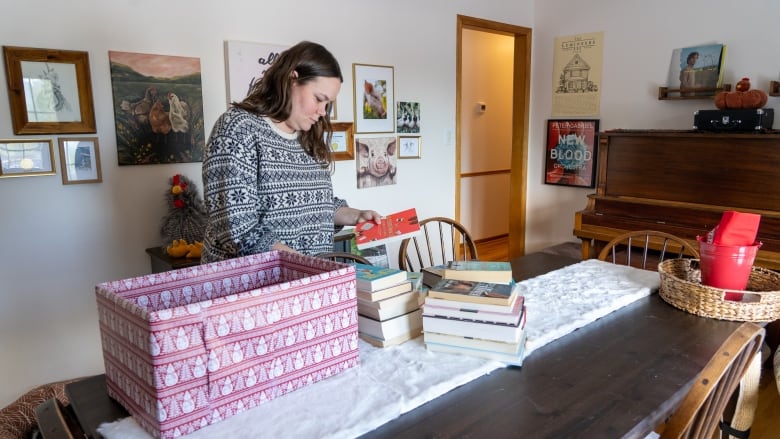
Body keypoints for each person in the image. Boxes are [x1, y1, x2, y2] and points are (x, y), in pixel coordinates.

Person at [201, 41, 381, 263]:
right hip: (250, 286)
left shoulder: (308, 137)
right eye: (319, 99)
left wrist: (357, 215)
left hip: (303, 282)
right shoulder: (238, 129)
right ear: (291, 79)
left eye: (328, 104)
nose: (322, 112)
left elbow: (318, 205)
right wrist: (308, 265)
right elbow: (237, 230)